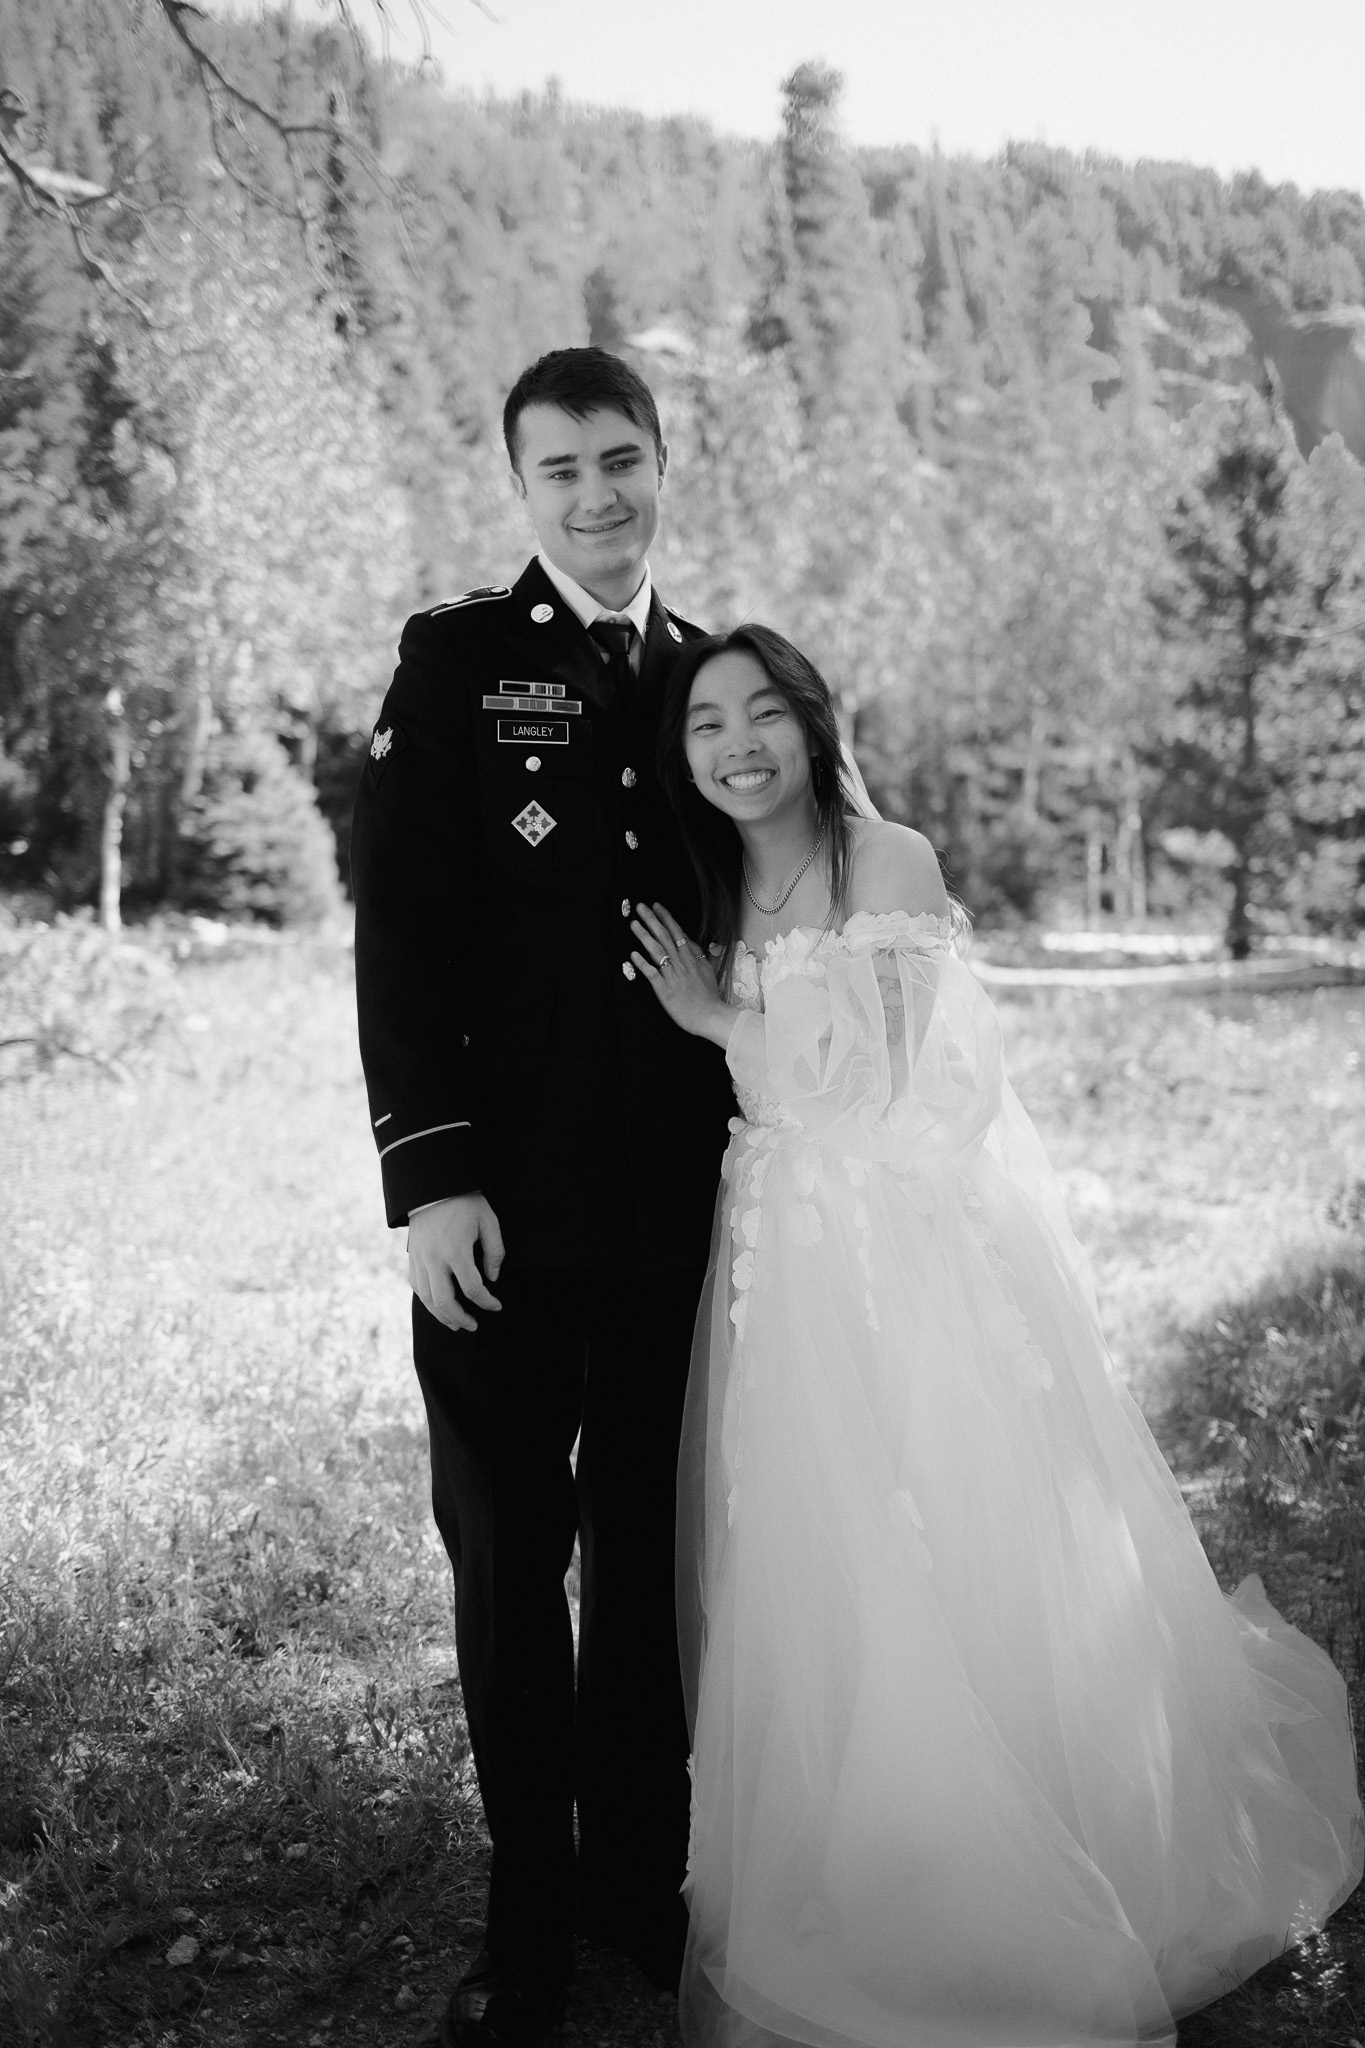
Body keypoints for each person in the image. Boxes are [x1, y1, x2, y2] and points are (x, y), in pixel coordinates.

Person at [627, 623, 1364, 2048]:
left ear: (810, 723)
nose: (736, 745)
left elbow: (884, 1084)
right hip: (776, 1248)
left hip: (899, 1246)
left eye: (762, 713)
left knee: (944, 1521)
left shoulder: (887, 860)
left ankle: (1029, 1839)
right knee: (812, 1539)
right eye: (705, 722)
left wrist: (720, 1020)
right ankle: (867, 1837)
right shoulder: (711, 877)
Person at [350, 348, 735, 2048]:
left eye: (619, 458)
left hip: (672, 1211)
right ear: (520, 486)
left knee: (647, 1559)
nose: (595, 495)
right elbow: (401, 932)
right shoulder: (457, 658)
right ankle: (524, 1918)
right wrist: (430, 1179)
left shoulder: (707, 674)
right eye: (560, 468)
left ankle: (635, 1879)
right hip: (499, 1214)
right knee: (513, 1559)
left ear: (662, 462)